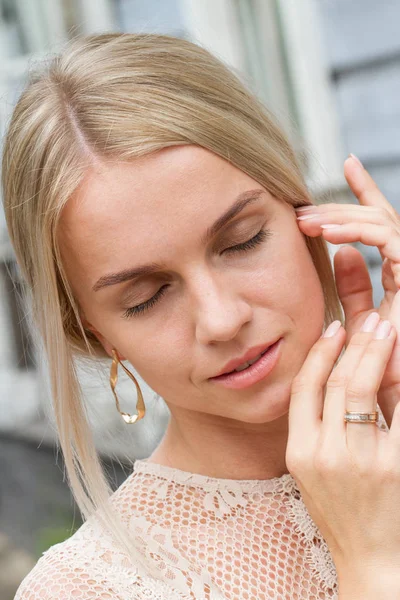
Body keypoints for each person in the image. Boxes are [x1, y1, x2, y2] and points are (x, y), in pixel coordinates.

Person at [3, 32, 400, 600]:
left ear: (300, 207)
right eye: (145, 297)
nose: (220, 320)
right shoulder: (85, 589)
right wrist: (375, 565)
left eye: (242, 241)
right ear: (92, 330)